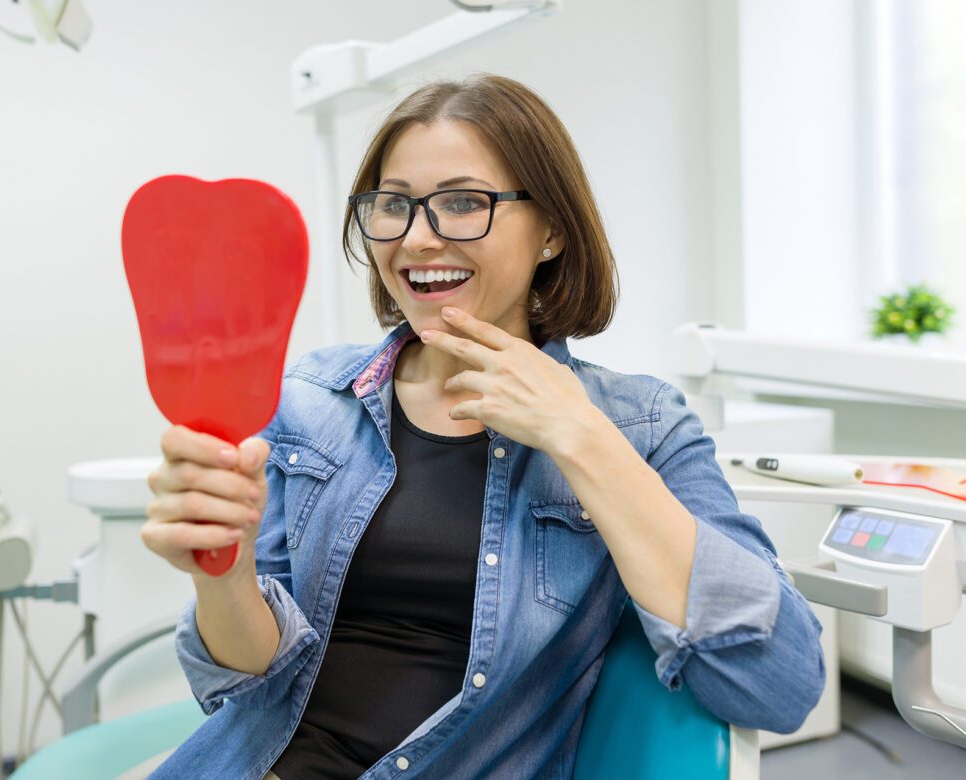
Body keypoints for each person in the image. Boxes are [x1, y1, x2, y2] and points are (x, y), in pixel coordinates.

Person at [142, 74, 825, 780]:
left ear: (553, 230)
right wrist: (223, 572)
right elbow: (249, 685)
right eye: (394, 205)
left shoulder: (641, 425)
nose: (417, 238)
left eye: (464, 203)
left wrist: (580, 436)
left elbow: (779, 684)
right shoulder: (311, 399)